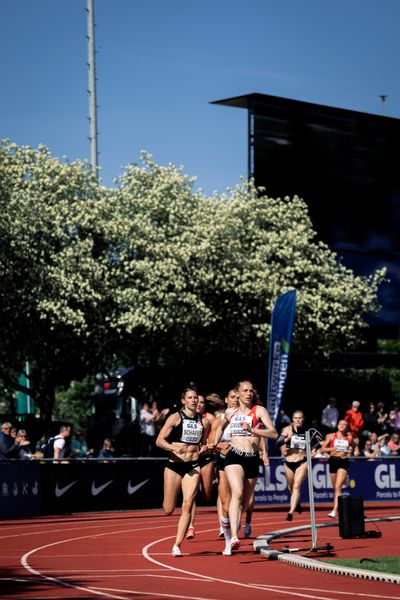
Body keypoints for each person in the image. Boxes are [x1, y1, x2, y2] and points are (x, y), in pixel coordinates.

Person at [211, 380, 277, 555]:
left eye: (251, 391)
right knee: (237, 493)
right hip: (234, 456)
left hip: (252, 458)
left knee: (244, 503)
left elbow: (273, 433)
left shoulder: (259, 411)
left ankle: (227, 529)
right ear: (238, 394)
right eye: (245, 390)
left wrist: (254, 430)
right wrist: (216, 443)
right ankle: (233, 537)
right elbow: (219, 428)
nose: (249, 393)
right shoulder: (230, 412)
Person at [155, 386, 210, 557]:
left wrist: (204, 449)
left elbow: (201, 444)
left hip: (193, 466)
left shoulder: (204, 422)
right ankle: (171, 507)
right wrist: (173, 447)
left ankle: (177, 545)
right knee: (168, 509)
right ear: (183, 401)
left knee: (187, 505)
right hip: (174, 465)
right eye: (190, 398)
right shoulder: (175, 418)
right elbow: (159, 441)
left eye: (196, 398)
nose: (194, 401)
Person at [186, 392, 224, 540]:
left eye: (202, 402)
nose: (198, 404)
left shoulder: (209, 419)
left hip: (207, 457)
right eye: (197, 401)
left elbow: (214, 439)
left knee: (207, 495)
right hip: (192, 458)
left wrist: (208, 447)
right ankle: (190, 527)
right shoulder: (185, 418)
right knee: (191, 493)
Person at [319, 419, 359, 518]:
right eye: (340, 424)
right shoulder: (331, 436)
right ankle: (338, 506)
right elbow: (322, 449)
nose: (342, 426)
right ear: (337, 425)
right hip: (333, 461)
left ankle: (334, 510)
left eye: (344, 424)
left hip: (343, 461)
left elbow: (355, 446)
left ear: (347, 427)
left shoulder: (349, 438)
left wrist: (356, 451)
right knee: (335, 488)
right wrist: (331, 449)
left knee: (337, 487)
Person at [277, 410, 309, 521]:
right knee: (291, 488)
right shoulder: (287, 430)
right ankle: (297, 503)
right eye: (295, 418)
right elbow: (278, 443)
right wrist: (288, 439)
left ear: (303, 419)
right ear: (292, 419)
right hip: (289, 462)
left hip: (302, 461)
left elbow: (317, 443)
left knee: (296, 486)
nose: (298, 420)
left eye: (300, 418)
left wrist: (313, 451)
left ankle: (290, 512)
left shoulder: (307, 431)